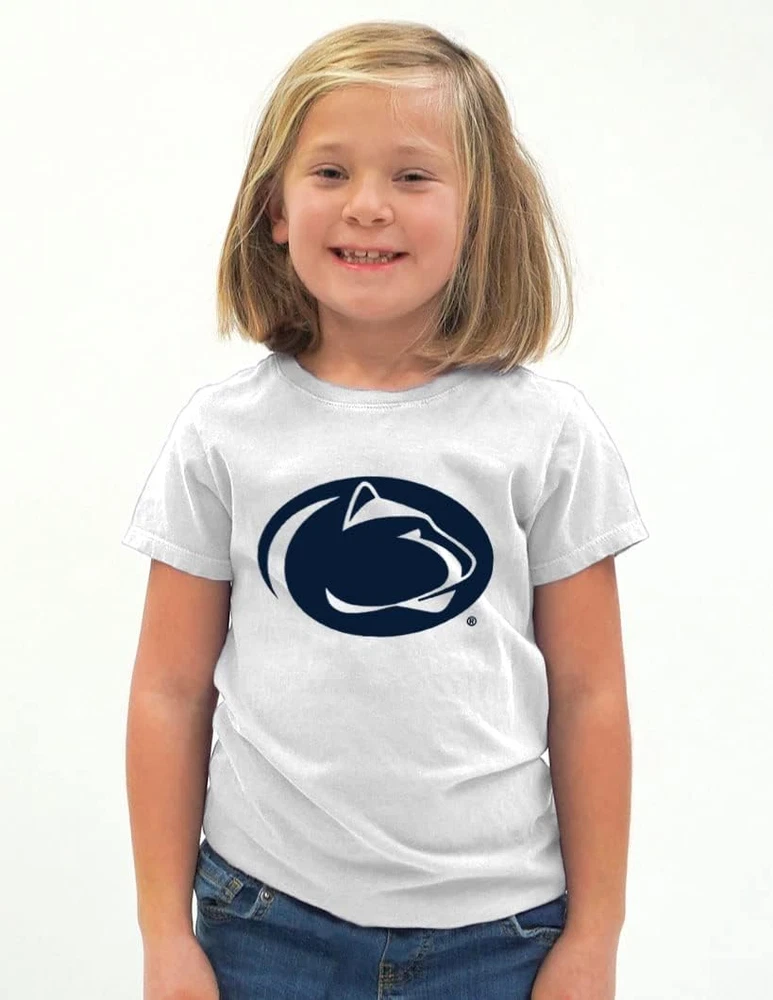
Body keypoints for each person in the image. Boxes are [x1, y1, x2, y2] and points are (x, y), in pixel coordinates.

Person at [123, 19, 649, 1000]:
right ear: (275, 209)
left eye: (412, 176)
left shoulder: (546, 434)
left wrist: (594, 937)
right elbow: (168, 689)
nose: (367, 205)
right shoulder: (222, 434)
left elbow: (589, 695)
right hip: (263, 922)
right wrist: (163, 935)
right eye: (330, 172)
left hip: (500, 935)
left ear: (480, 214)